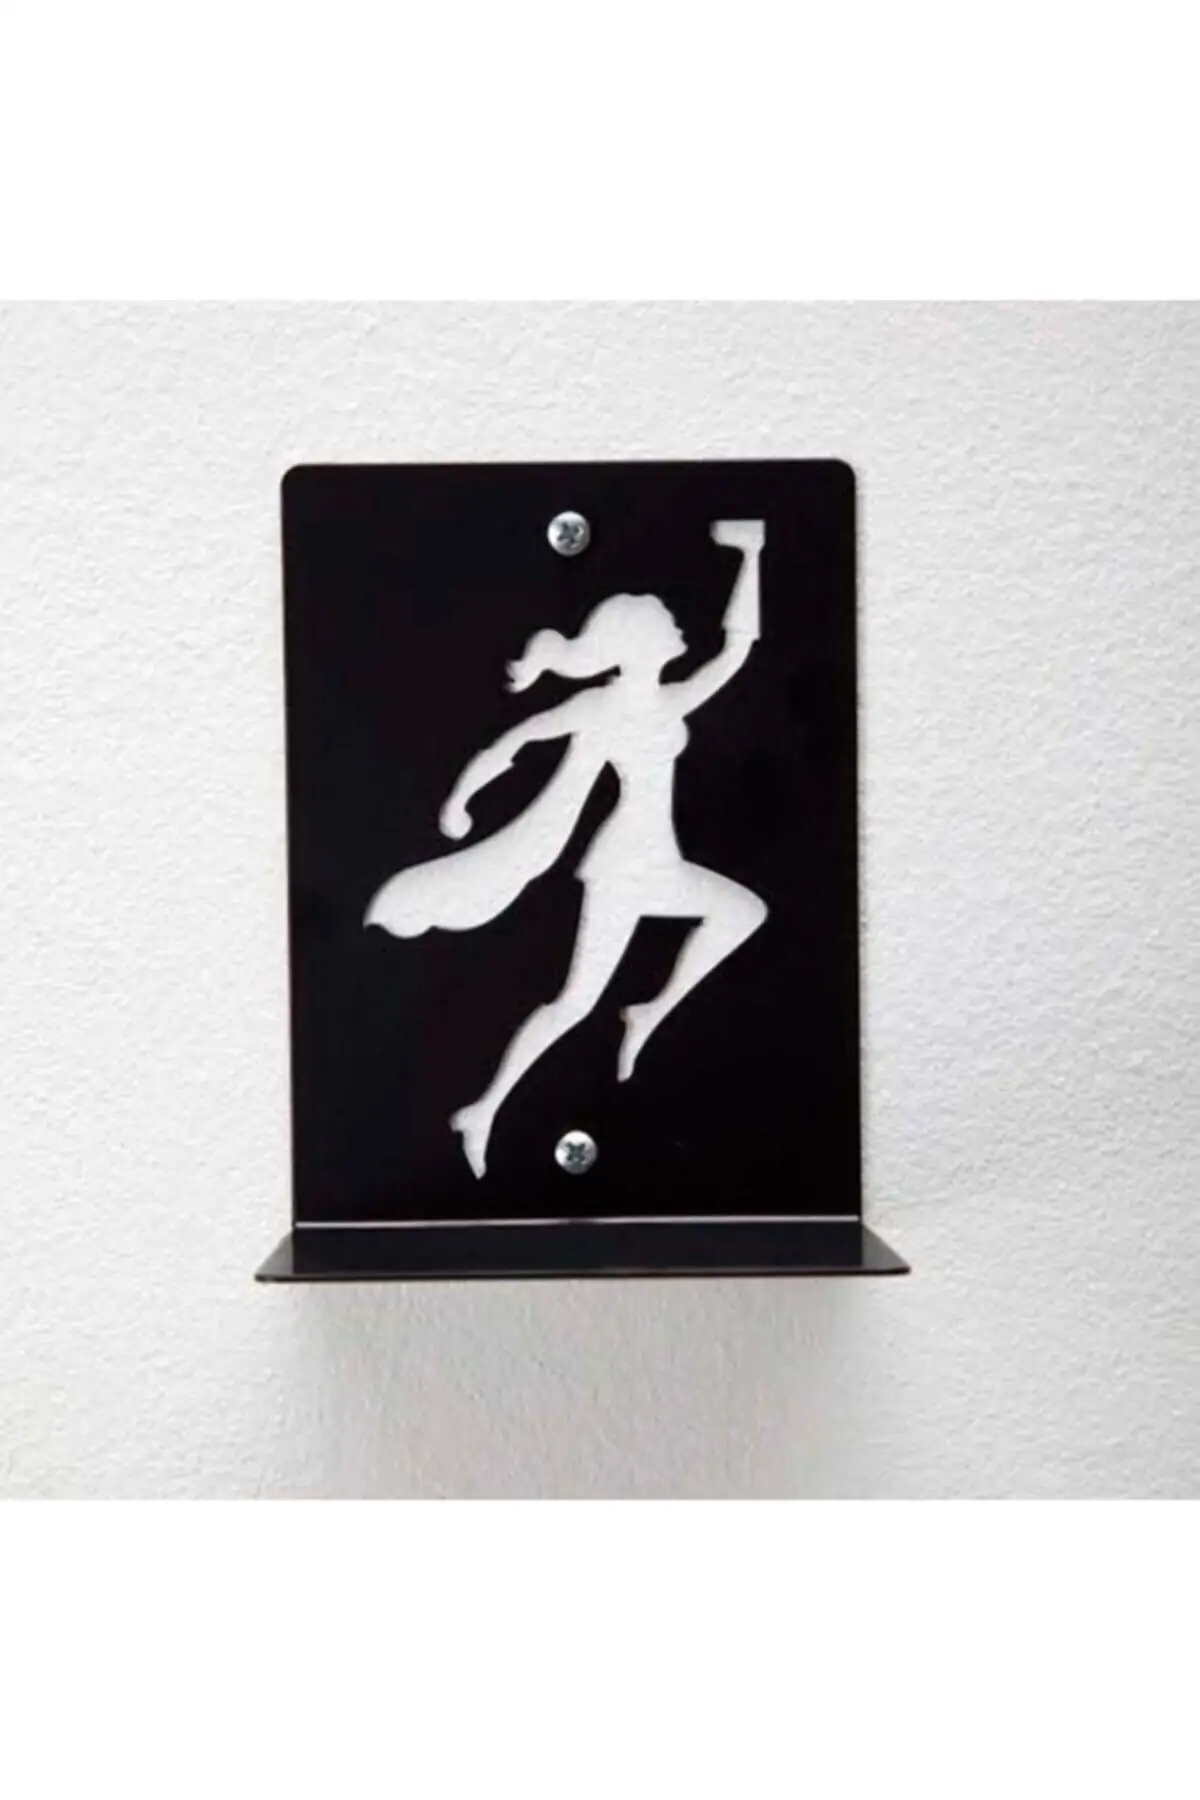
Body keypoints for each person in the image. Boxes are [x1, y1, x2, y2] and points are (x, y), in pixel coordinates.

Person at [365, 519, 768, 1177]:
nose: (678, 626)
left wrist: (751, 557)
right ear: (640, 643)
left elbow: (737, 649)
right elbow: (516, 741)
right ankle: (485, 1108)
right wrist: (460, 801)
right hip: (622, 866)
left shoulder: (671, 701)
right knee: (573, 1004)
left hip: (658, 863)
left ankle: (648, 1012)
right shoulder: (598, 708)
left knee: (743, 912)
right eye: (667, 621)